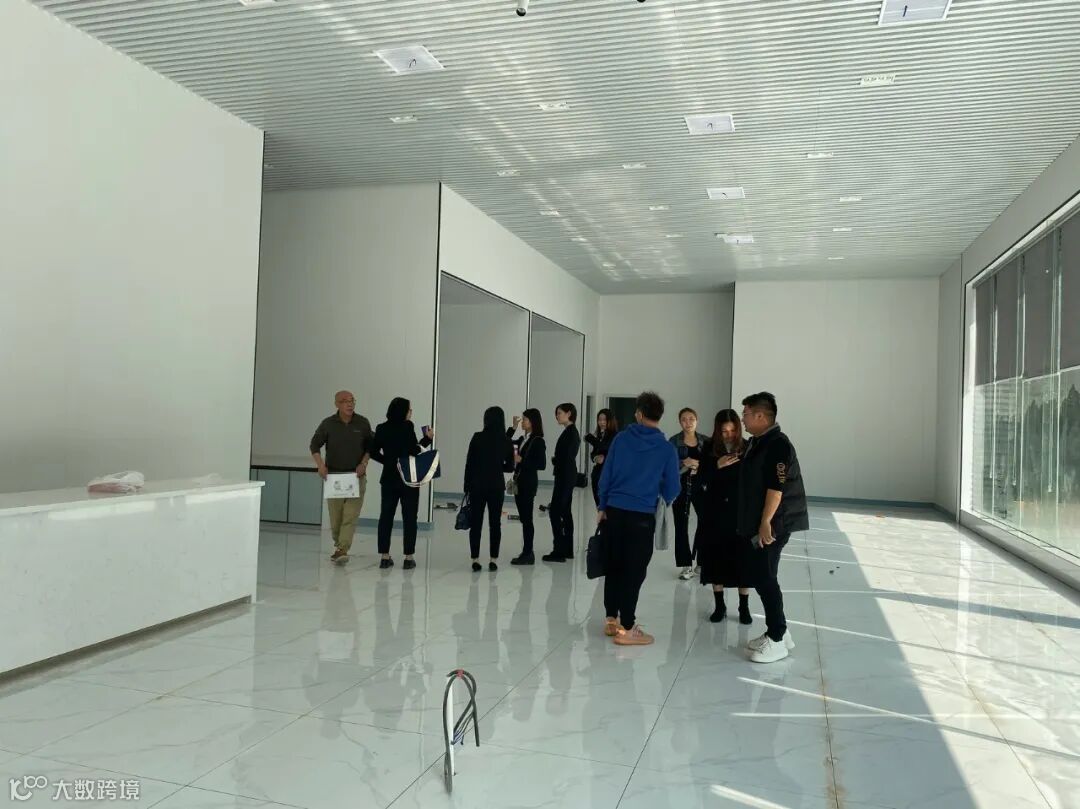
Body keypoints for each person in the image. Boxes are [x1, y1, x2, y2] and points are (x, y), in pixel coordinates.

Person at [597, 391, 681, 645]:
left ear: (640, 414)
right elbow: (672, 489)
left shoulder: (621, 440)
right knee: (633, 571)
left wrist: (602, 505)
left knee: (613, 564)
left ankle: (611, 619)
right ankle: (627, 627)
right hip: (642, 516)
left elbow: (606, 474)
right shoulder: (666, 449)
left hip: (613, 511)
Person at [738, 392, 808, 663]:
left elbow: (776, 488)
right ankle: (781, 631)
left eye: (745, 414)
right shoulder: (759, 442)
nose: (743, 419)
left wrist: (766, 522)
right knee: (763, 575)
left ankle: (777, 638)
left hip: (775, 523)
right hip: (764, 521)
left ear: (760, 416)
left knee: (764, 576)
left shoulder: (778, 445)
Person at [696, 409, 753, 624]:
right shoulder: (709, 448)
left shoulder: (747, 447)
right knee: (716, 559)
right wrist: (716, 466)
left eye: (732, 430)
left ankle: (744, 606)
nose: (729, 435)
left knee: (743, 560)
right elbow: (701, 479)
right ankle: (719, 606)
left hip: (740, 513)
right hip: (716, 512)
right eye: (724, 431)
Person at [309, 390, 373, 565]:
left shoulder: (362, 423)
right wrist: (320, 465)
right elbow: (314, 445)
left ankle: (342, 549)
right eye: (345, 401)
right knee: (336, 518)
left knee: (350, 515)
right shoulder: (328, 424)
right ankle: (339, 546)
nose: (349, 404)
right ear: (337, 404)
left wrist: (364, 463)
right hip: (334, 477)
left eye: (352, 400)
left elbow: (371, 447)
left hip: (356, 477)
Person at [370, 397, 433, 570]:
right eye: (409, 409)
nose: (411, 412)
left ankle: (384, 556)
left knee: (386, 516)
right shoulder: (408, 426)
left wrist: (388, 462)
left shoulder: (381, 428)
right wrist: (427, 439)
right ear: (403, 411)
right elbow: (413, 450)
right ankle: (408, 557)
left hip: (388, 479)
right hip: (408, 479)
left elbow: (373, 452)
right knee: (410, 517)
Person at [464, 406, 515, 572]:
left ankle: (475, 559)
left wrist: (466, 486)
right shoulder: (506, 441)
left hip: (477, 486)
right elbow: (510, 467)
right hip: (496, 486)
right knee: (495, 524)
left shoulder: (477, 437)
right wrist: (498, 466)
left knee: (476, 523)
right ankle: (493, 560)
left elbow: (469, 463)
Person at [669, 407, 708, 580]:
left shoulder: (706, 441)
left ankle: (701, 562)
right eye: (684, 419)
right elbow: (667, 464)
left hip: (701, 487)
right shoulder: (673, 441)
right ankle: (686, 565)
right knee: (681, 525)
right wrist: (683, 462)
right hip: (680, 487)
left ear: (697, 420)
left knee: (706, 522)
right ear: (680, 422)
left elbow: (712, 463)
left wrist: (700, 465)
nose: (688, 422)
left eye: (691, 419)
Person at [508, 408, 547, 565]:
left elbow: (541, 464)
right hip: (520, 482)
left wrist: (522, 460)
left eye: (525, 419)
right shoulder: (523, 439)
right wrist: (513, 428)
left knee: (527, 519)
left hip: (528, 483)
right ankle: (526, 551)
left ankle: (528, 552)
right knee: (524, 518)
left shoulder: (538, 441)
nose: (522, 422)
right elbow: (506, 442)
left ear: (532, 422)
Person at [544, 403, 581, 563]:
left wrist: (557, 460)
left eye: (559, 413)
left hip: (565, 476)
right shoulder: (570, 432)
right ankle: (567, 549)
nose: (557, 416)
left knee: (555, 511)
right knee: (565, 512)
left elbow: (567, 456)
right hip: (566, 475)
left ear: (569, 413)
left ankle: (559, 550)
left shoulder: (571, 433)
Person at [585, 409, 618, 507]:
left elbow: (604, 447)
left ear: (610, 421)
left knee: (606, 506)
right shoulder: (600, 435)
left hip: (608, 475)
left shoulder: (615, 435)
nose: (602, 422)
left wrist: (590, 438)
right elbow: (593, 453)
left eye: (604, 420)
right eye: (600, 420)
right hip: (597, 474)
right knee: (599, 505)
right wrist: (595, 458)